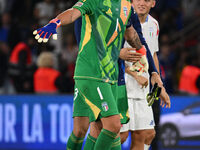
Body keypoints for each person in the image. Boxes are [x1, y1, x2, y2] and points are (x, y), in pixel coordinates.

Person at [33, 0, 149, 149]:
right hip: (91, 73)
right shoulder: (94, 1)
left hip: (108, 76)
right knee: (113, 125)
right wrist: (55, 22)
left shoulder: (125, 5)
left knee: (81, 129)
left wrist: (141, 52)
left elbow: (130, 34)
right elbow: (73, 13)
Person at [120, 0, 170, 150]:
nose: (142, 3)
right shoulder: (122, 21)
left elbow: (152, 55)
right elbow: (112, 57)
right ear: (131, 1)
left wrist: (159, 86)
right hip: (122, 86)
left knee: (147, 134)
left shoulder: (154, 24)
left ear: (153, 3)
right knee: (120, 136)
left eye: (146, 0)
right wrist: (135, 76)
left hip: (143, 88)